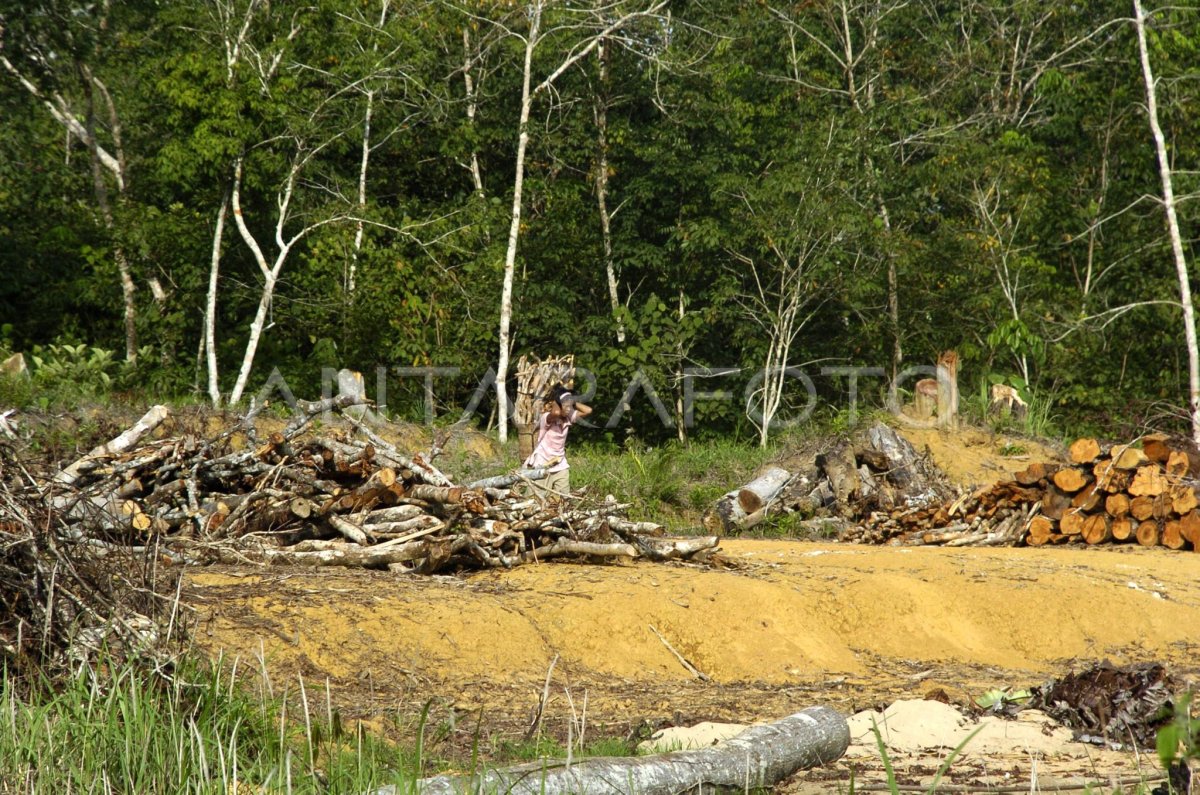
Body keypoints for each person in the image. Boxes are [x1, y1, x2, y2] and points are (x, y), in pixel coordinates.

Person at [524, 384, 592, 500]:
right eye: (565, 405)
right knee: (534, 499)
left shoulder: (568, 417)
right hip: (542, 463)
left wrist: (572, 402)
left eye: (570, 406)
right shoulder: (547, 417)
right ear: (558, 405)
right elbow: (555, 413)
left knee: (563, 499)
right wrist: (558, 398)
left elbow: (588, 410)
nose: (568, 409)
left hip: (560, 464)